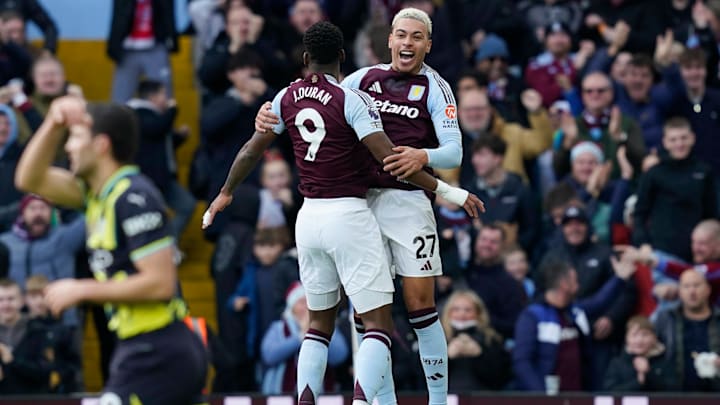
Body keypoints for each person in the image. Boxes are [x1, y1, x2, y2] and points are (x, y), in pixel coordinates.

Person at [204, 20, 484, 405]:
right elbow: (320, 98)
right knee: (366, 316)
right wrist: (265, 115)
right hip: (361, 203)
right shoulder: (361, 81)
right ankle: (377, 401)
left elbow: (454, 151)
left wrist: (425, 155)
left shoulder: (437, 87)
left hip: (407, 201)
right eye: (401, 34)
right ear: (388, 40)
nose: (407, 42)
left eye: (416, 37)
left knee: (420, 306)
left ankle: (437, 399)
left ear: (428, 45)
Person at [14, 96, 207, 403]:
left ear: (101, 145)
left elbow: (160, 283)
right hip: (138, 348)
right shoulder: (97, 196)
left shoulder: (134, 197)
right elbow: (28, 178)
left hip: (159, 351)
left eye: (76, 138)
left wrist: (82, 289)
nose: (68, 147)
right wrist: (53, 122)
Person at [513, 253, 637, 392]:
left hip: (578, 396)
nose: (578, 284)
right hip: (548, 396)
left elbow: (599, 302)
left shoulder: (575, 312)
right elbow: (522, 362)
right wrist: (540, 395)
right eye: (575, 280)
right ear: (564, 284)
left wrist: (619, 279)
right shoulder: (533, 316)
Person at [654, 270, 720, 391]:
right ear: (680, 292)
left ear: (708, 290)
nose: (692, 291)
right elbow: (652, 350)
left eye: (697, 285)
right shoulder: (666, 318)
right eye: (686, 286)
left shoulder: (718, 318)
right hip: (675, 395)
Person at [440, 289, 510, 392]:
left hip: (482, 397)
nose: (462, 314)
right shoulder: (437, 339)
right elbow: (421, 377)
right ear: (448, 312)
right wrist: (447, 357)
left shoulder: (490, 339)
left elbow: (501, 376)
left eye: (468, 310)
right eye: (456, 309)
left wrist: (479, 355)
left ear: (478, 313)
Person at [603, 315, 678, 392]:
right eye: (634, 335)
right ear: (626, 338)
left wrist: (648, 373)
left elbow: (673, 391)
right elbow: (610, 392)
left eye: (645, 334)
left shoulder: (665, 362)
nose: (639, 340)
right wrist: (638, 382)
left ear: (654, 338)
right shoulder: (617, 364)